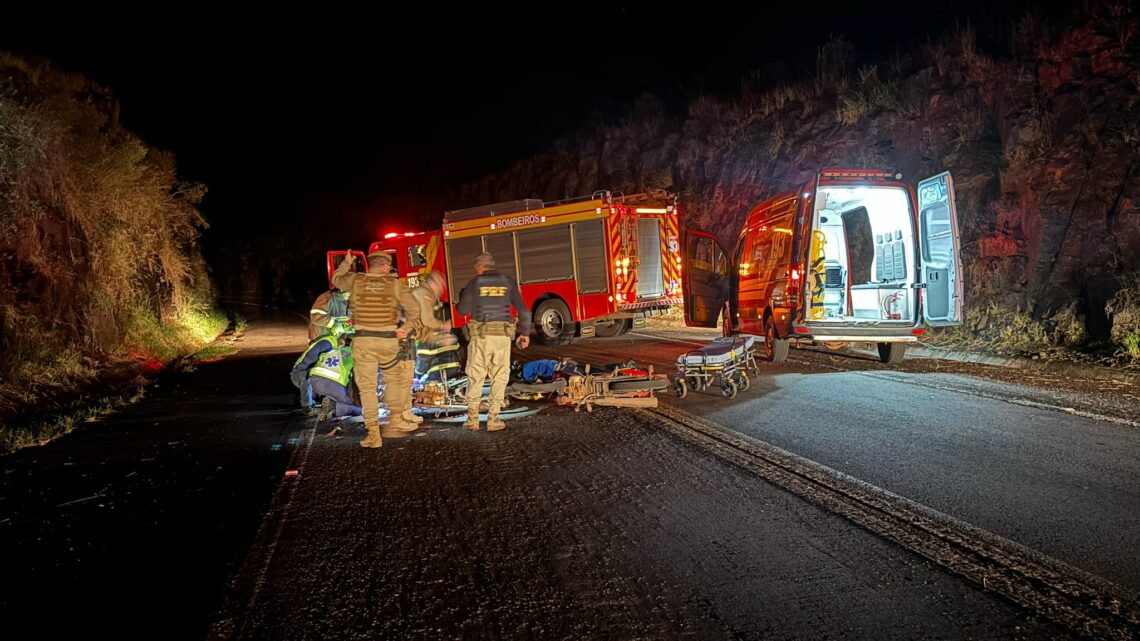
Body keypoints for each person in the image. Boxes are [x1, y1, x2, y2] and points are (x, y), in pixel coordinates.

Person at [332, 249, 423, 448]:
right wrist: (405, 328)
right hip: (388, 341)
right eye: (388, 266)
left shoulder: (356, 281)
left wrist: (346, 262)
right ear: (384, 266)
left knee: (367, 388)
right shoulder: (393, 284)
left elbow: (336, 279)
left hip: (363, 341)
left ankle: (373, 435)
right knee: (396, 381)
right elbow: (414, 308)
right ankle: (396, 420)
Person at [456, 252, 531, 431]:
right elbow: (523, 310)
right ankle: (493, 419)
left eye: (475, 268)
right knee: (500, 376)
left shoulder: (475, 283)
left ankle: (472, 419)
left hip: (481, 337)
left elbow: (462, 310)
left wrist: (464, 298)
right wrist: (525, 333)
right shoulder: (508, 282)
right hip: (502, 339)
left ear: (480, 266)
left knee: (476, 375)